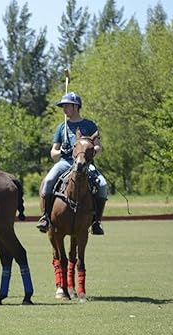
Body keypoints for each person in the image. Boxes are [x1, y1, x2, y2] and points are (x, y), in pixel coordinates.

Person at [36, 92, 107, 235]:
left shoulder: (89, 125)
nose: (64, 109)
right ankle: (45, 217)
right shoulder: (62, 127)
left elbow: (98, 147)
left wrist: (90, 152)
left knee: (102, 185)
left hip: (85, 164)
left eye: (66, 106)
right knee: (48, 181)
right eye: (63, 106)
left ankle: (96, 222)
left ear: (76, 107)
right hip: (65, 162)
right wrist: (61, 151)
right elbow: (53, 152)